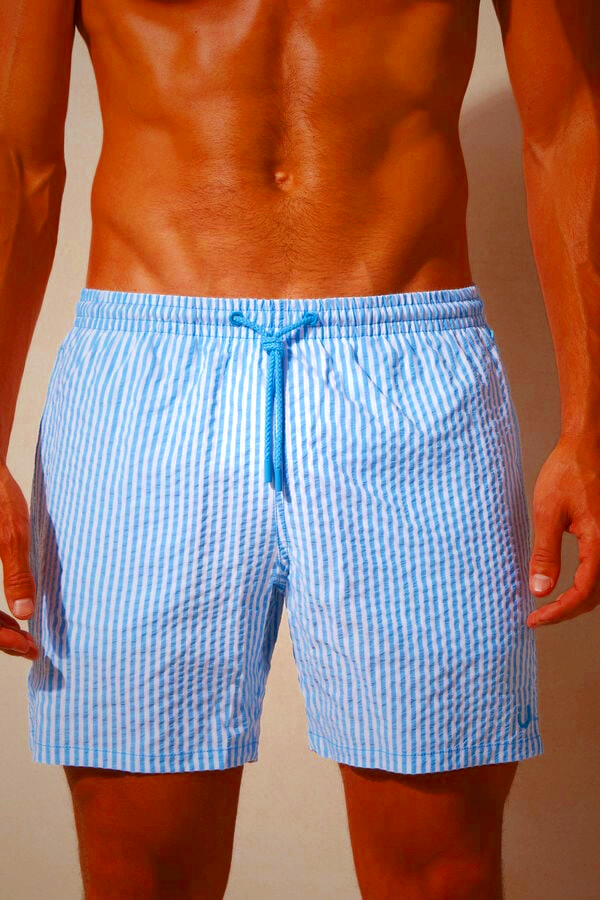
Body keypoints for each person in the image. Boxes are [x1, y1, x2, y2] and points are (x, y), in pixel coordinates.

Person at [1, 0, 598, 897]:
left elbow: (569, 125)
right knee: (138, 876)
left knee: (444, 874)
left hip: (414, 379)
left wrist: (590, 427)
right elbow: (17, 159)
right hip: (146, 387)